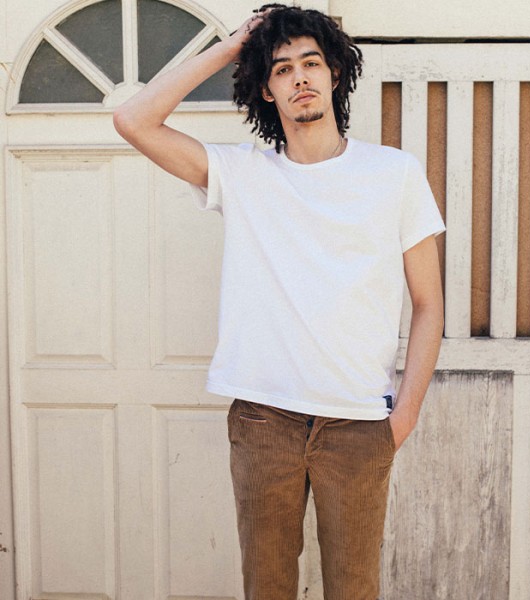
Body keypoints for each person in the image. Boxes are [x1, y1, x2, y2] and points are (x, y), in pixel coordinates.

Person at [114, 4, 445, 599]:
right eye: (282, 68)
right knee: (266, 588)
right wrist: (233, 46)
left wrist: (406, 416)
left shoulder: (393, 173)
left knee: (355, 590)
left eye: (311, 63)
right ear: (266, 90)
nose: (300, 78)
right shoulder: (242, 174)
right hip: (264, 420)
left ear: (335, 72)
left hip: (359, 422)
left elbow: (428, 303)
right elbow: (133, 119)